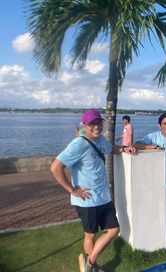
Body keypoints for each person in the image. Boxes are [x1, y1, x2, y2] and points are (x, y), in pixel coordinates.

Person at [51, 110, 137, 272]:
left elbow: (111, 148)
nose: (97, 127)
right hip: (86, 199)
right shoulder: (78, 144)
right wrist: (72, 189)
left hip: (103, 198)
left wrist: (125, 149)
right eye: (92, 124)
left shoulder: (101, 140)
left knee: (113, 230)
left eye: (99, 123)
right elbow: (56, 167)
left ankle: (89, 263)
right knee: (90, 234)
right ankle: (94, 267)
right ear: (84, 126)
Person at [133, 112, 166, 253]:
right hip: (155, 182)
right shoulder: (153, 137)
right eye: (164, 123)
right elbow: (136, 144)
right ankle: (152, 239)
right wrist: (153, 147)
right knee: (154, 211)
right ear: (159, 125)